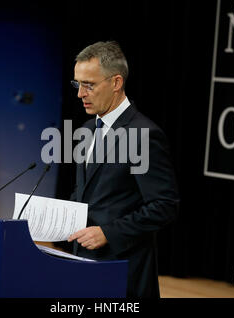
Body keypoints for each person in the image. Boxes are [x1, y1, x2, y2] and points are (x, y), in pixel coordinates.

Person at [67, 41, 179, 298]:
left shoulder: (144, 135)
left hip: (123, 273)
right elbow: (85, 193)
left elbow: (164, 205)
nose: (80, 94)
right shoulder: (86, 129)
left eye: (89, 85)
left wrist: (109, 232)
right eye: (77, 84)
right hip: (82, 266)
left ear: (116, 83)